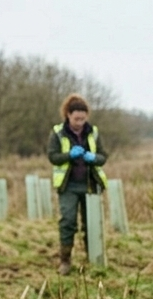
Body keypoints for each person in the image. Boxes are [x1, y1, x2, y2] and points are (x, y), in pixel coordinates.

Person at [47, 94, 109, 275]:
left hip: (90, 185)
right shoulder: (58, 133)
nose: (80, 122)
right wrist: (69, 156)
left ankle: (94, 259)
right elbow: (53, 157)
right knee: (68, 221)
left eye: (83, 118)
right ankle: (65, 261)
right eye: (76, 119)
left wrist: (93, 158)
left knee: (91, 223)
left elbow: (103, 156)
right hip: (68, 186)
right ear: (68, 115)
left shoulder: (94, 133)